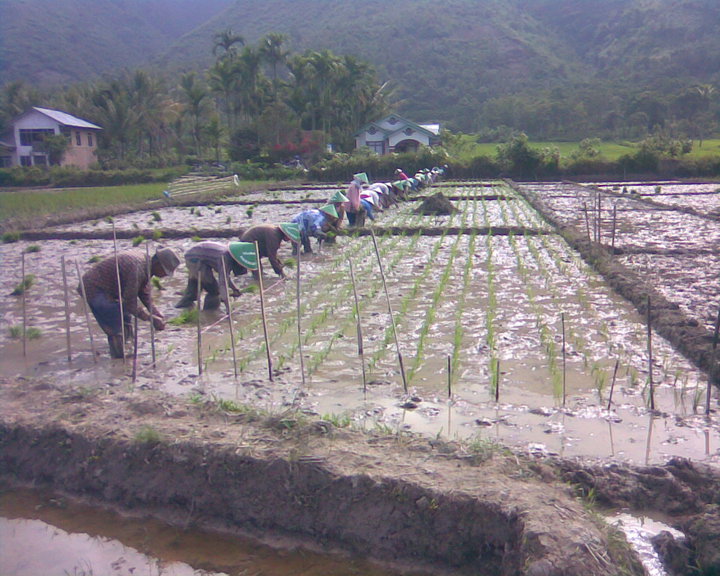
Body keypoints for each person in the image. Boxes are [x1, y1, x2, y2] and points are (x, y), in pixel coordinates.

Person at [79, 246, 180, 358]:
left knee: (126, 317)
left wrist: (154, 311)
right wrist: (150, 318)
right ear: (157, 263)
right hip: (93, 287)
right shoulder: (137, 269)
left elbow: (143, 291)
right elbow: (129, 303)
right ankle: (118, 358)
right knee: (115, 319)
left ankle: (127, 349)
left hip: (107, 288)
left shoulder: (146, 265)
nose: (165, 275)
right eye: (165, 271)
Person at [174, 241, 248, 311]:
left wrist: (234, 289)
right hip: (194, 258)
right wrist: (228, 307)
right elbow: (223, 282)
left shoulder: (230, 256)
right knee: (214, 290)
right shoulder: (225, 259)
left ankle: (183, 306)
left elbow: (226, 277)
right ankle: (209, 312)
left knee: (195, 288)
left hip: (199, 255)